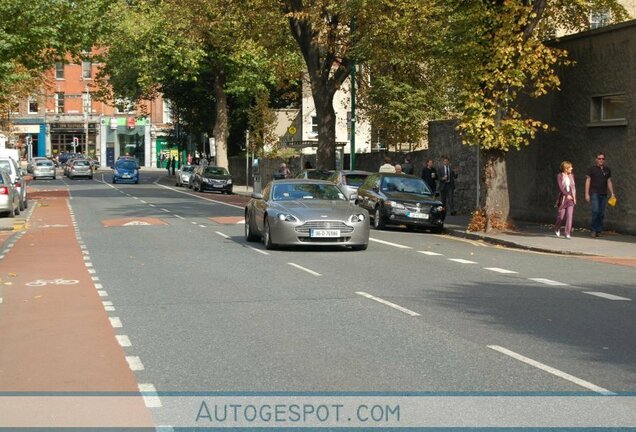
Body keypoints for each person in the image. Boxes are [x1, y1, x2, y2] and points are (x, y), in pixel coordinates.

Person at [585, 152, 615, 237]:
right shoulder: (592, 169)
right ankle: (593, 230)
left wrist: (612, 193)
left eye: (603, 159)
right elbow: (588, 181)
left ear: (604, 160)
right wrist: (587, 194)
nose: (601, 160)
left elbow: (609, 181)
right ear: (596, 160)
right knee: (595, 211)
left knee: (601, 213)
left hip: (604, 194)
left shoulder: (607, 169)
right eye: (599, 158)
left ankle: (598, 230)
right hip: (594, 193)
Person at [554, 161, 577, 239]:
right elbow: (560, 188)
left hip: (571, 199)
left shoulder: (572, 175)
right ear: (566, 168)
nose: (572, 168)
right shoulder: (559, 176)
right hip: (563, 198)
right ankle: (557, 228)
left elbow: (573, 187)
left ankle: (567, 233)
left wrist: (572, 196)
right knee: (561, 216)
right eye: (570, 167)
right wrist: (566, 195)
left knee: (569, 216)